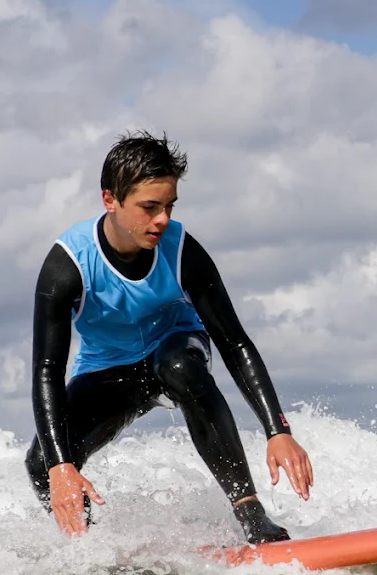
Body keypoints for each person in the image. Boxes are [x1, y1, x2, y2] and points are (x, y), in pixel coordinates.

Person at [25, 132, 313, 542]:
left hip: (176, 351)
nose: (162, 219)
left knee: (178, 366)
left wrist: (277, 430)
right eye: (149, 207)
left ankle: (252, 515)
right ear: (110, 200)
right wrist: (60, 466)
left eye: (169, 206)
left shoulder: (181, 250)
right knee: (42, 463)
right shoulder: (68, 265)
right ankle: (91, 548)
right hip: (110, 374)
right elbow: (47, 370)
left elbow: (235, 342)